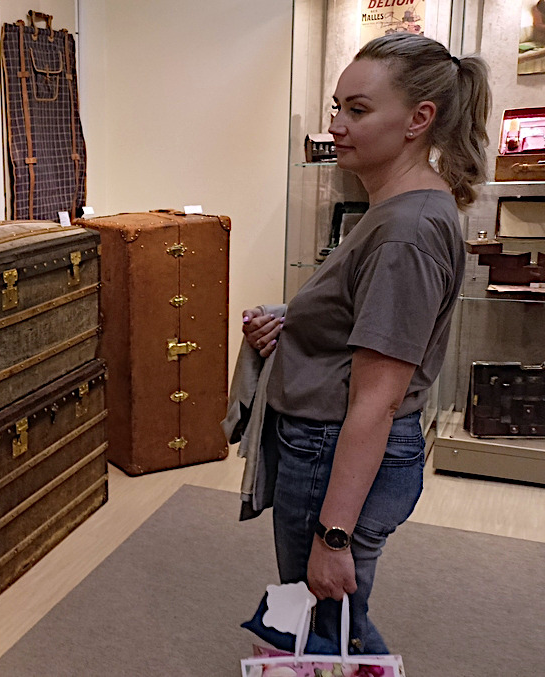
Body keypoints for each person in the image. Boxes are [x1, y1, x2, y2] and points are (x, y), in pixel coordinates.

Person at [241, 32, 491, 654]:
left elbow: (378, 398)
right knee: (327, 618)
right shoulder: (399, 209)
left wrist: (334, 536)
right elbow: (367, 322)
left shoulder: (405, 230)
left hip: (333, 452)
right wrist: (295, 323)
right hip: (329, 444)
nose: (336, 126)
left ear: (419, 120)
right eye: (337, 107)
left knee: (325, 623)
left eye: (357, 110)